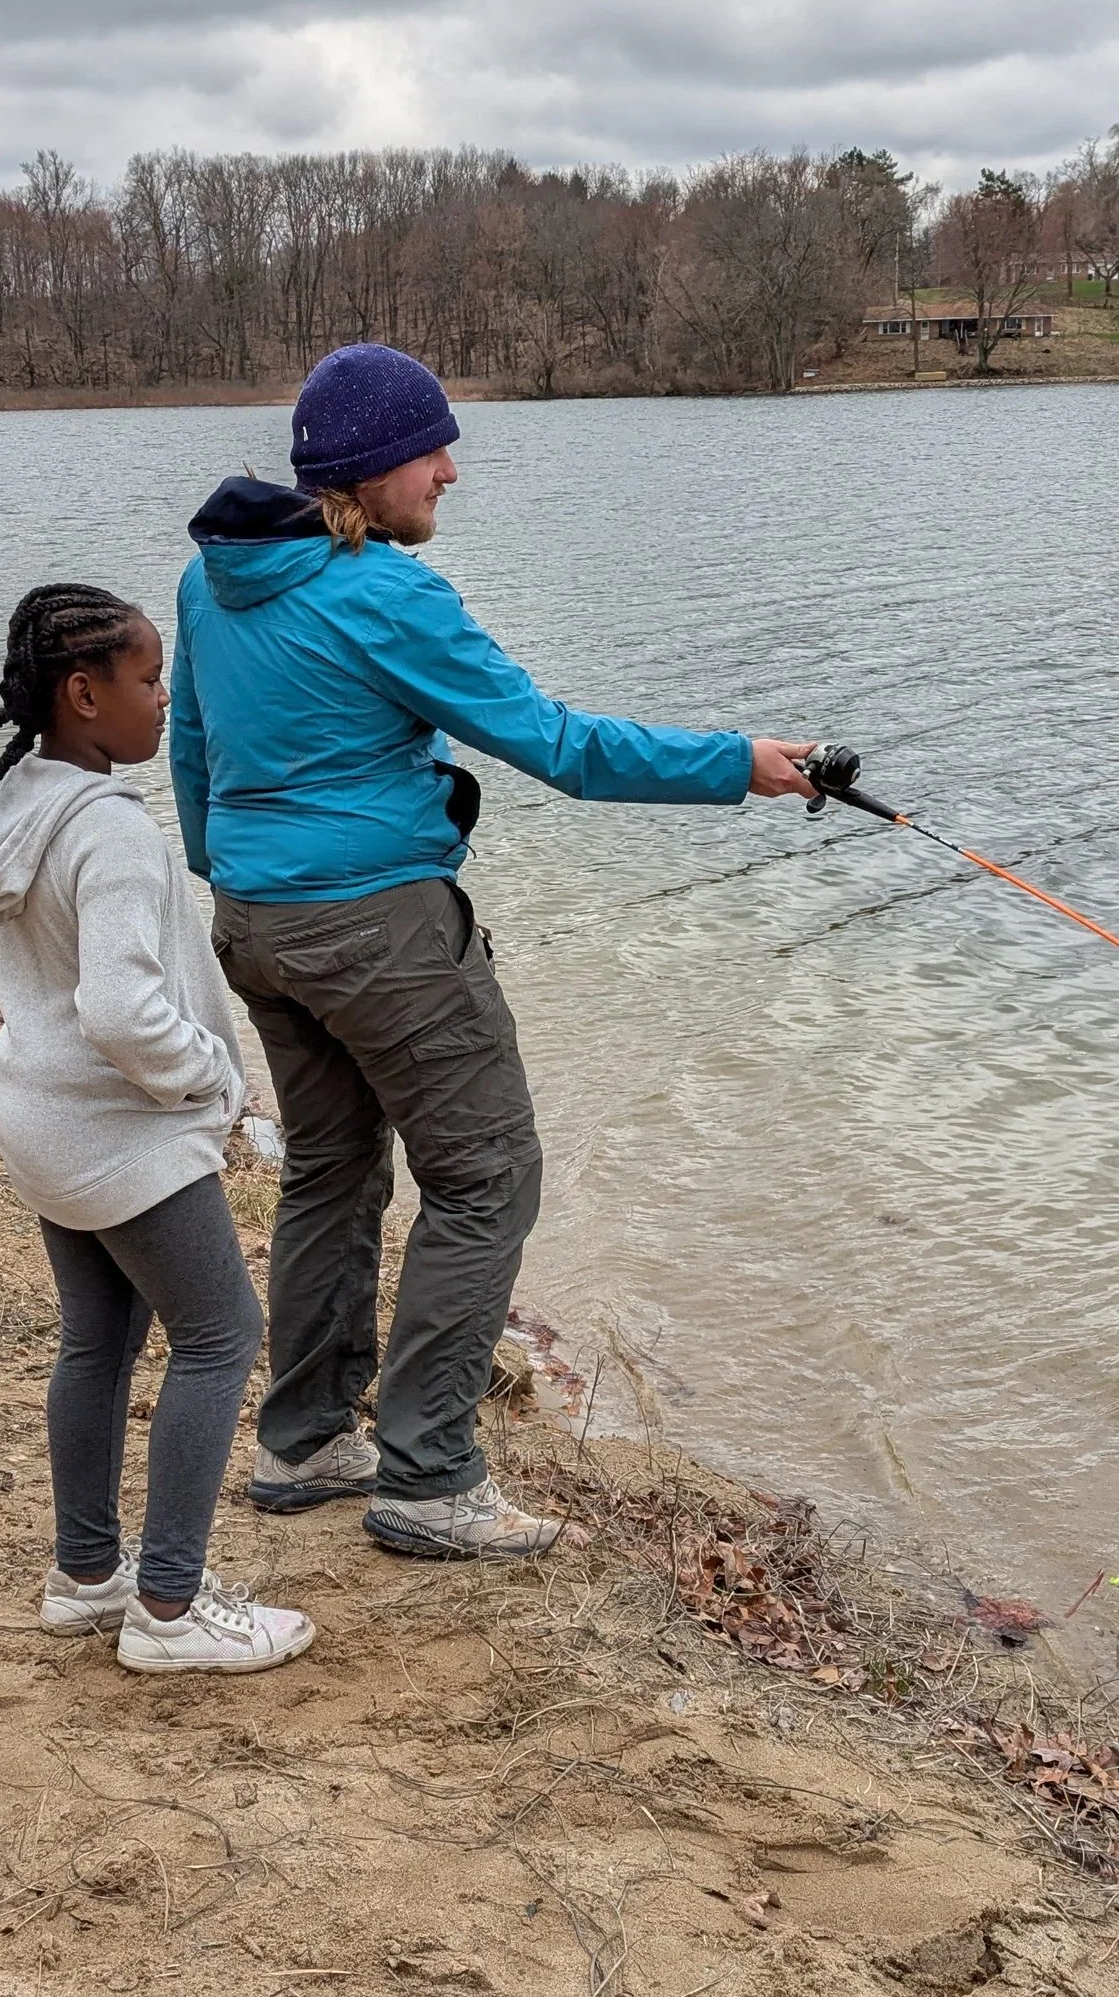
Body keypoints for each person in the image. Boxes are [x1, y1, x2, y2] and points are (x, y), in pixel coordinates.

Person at [172, 342, 813, 1564]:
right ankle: (427, 1475)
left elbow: (194, 756)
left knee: (331, 1168)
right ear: (369, 470)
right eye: (433, 448)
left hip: (257, 925)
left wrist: (239, 877)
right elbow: (560, 747)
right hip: (378, 928)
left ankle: (304, 1439)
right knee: (486, 1177)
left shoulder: (215, 580)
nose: (452, 471)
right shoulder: (384, 595)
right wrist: (739, 762)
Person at [0, 579, 312, 1677]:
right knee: (222, 1334)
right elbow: (119, 1007)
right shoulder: (107, 827)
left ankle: (86, 1574)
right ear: (83, 692)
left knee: (97, 1338)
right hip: (115, 1129)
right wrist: (212, 1079)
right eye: (150, 680)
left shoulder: (21, 792)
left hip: (39, 1112)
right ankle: (167, 1605)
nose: (166, 700)